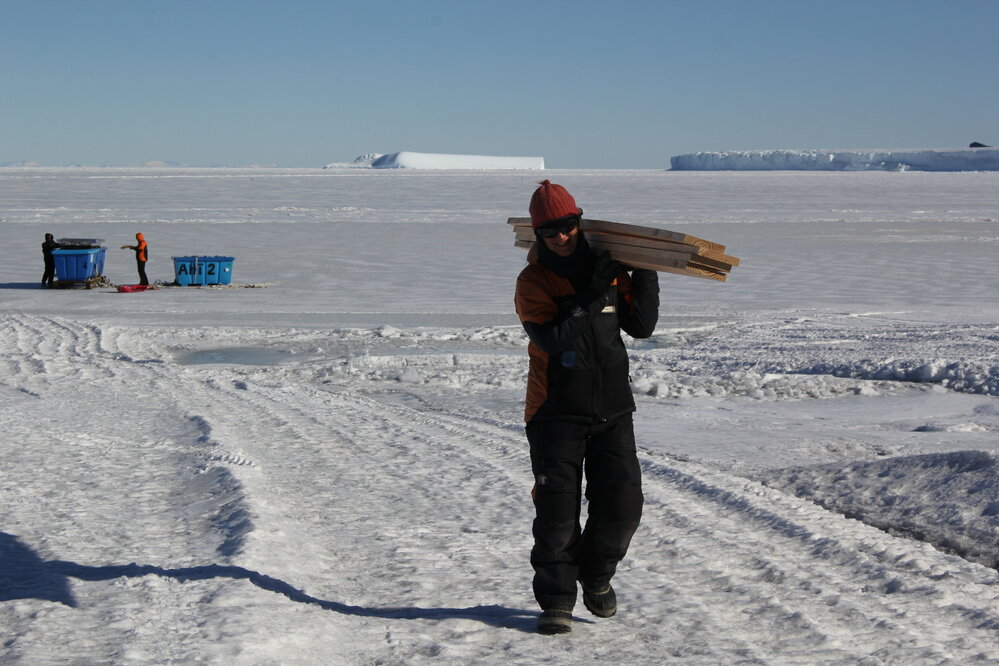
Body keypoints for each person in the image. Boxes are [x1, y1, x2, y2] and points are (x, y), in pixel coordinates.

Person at [514, 180, 660, 635]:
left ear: (579, 220)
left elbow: (641, 326)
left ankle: (596, 577)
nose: (561, 236)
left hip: (614, 409)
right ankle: (557, 599)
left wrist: (647, 272)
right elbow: (553, 340)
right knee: (557, 516)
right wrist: (591, 296)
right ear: (537, 235)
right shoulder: (534, 281)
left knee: (623, 509)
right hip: (555, 410)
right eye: (550, 230)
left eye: (568, 225)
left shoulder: (609, 269)